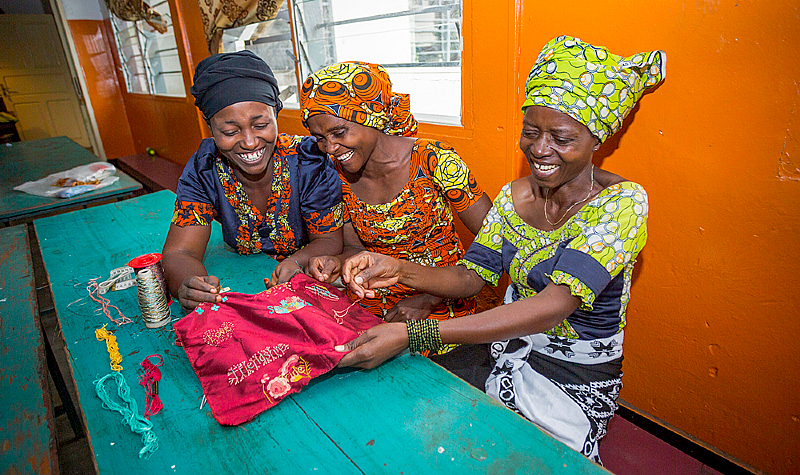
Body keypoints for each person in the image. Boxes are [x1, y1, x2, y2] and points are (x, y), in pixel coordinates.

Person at [334, 36, 666, 463]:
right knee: (408, 425)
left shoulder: (621, 204)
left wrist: (414, 334)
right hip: (501, 346)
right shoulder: (514, 197)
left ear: (596, 140)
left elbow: (553, 304)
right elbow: (472, 277)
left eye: (561, 138)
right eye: (531, 133)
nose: (540, 150)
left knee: (519, 459)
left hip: (573, 377)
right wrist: (397, 268)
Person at [299, 61, 492, 357]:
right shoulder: (336, 173)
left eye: (339, 132)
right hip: (375, 304)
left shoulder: (434, 163)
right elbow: (354, 246)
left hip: (441, 305)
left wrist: (429, 299)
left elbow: (496, 245)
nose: (330, 148)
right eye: (321, 138)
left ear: (372, 117)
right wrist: (337, 263)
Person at [162, 51, 344, 311]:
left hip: (310, 285)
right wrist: (190, 285)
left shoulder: (307, 162)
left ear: (276, 115)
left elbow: (329, 240)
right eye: (230, 131)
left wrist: (296, 262)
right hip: (245, 284)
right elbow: (181, 253)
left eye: (260, 125)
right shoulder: (204, 169)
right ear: (210, 128)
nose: (249, 142)